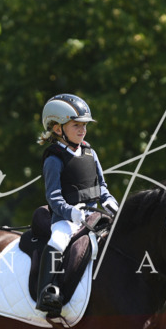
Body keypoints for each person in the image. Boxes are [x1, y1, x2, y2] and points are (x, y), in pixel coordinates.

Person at [35, 93, 119, 317]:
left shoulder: (90, 152)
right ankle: (46, 291)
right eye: (76, 125)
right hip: (66, 218)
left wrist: (109, 200)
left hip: (95, 213)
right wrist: (72, 213)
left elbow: (101, 185)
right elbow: (54, 198)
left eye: (84, 126)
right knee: (58, 241)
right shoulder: (54, 159)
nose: (82, 130)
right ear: (57, 128)